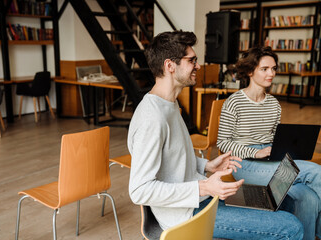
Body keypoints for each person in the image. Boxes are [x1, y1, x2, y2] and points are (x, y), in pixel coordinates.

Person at [128, 31, 303, 239]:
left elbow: (171, 159)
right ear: (170, 66)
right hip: (187, 213)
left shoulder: (171, 104)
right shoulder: (151, 118)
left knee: (286, 201)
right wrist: (203, 186)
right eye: (192, 60)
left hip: (202, 197)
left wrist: (206, 166)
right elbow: (139, 190)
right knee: (292, 227)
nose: (198, 66)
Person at [217, 46, 321, 240]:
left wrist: (284, 147)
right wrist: (255, 153)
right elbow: (223, 142)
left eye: (273, 69)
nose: (271, 73)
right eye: (265, 69)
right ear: (250, 71)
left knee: (308, 197)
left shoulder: (274, 104)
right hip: (244, 163)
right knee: (314, 171)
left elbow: (274, 137)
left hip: (270, 159)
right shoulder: (233, 102)